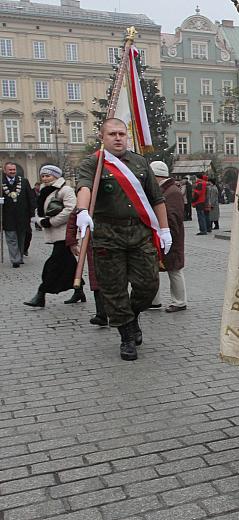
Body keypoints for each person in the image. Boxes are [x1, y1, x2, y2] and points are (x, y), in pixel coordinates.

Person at [74, 118, 172, 361]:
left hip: (139, 234)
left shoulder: (139, 162)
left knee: (149, 285)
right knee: (113, 289)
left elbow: (157, 198)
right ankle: (127, 336)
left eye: (121, 134)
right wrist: (83, 211)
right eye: (112, 134)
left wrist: (165, 230)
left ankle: (132, 315)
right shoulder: (93, 163)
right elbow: (84, 187)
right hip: (108, 236)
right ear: (102, 137)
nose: (118, 138)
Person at [23, 165, 77, 307]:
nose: (45, 178)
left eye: (48, 175)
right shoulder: (44, 190)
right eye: (43, 176)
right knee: (70, 263)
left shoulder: (65, 190)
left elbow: (71, 210)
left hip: (65, 233)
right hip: (54, 232)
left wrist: (50, 222)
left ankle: (41, 294)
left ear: (56, 176)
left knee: (52, 265)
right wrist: (41, 221)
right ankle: (79, 290)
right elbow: (39, 210)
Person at [150, 161, 187, 313]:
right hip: (162, 235)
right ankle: (154, 300)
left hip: (170, 236)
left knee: (174, 269)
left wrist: (166, 233)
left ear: (156, 176)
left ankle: (179, 302)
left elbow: (172, 217)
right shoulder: (165, 190)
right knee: (154, 268)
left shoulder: (171, 192)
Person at [65, 211, 106, 325]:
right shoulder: (88, 193)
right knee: (96, 277)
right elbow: (75, 214)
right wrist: (71, 241)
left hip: (117, 240)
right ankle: (101, 313)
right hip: (95, 241)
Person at [2, 162, 36, 267]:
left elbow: (31, 198)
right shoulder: (1, 183)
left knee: (21, 238)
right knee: (11, 238)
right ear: (5, 171)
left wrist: (32, 213)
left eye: (14, 170)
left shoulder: (24, 182)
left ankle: (20, 256)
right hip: (7, 216)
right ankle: (15, 260)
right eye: (10, 170)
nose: (12, 171)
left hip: (22, 216)